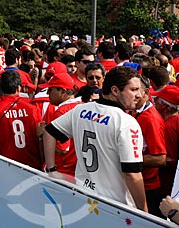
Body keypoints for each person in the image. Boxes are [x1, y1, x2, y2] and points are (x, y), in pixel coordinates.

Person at [42, 66, 148, 212]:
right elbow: (132, 174)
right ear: (115, 91)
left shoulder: (81, 110)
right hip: (114, 206)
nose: (139, 95)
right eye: (134, 90)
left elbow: (49, 132)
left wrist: (51, 168)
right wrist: (144, 211)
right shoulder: (126, 122)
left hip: (83, 196)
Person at [0, 70, 43, 170]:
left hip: (7, 165)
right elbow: (40, 136)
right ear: (19, 87)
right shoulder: (33, 108)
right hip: (32, 166)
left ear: (1, 87)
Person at [133, 75, 166, 217]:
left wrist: (128, 160)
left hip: (146, 187)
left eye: (135, 90)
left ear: (146, 92)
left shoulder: (151, 118)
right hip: (137, 182)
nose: (130, 94)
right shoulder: (135, 111)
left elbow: (160, 158)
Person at [153, 85, 179, 198]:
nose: (154, 102)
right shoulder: (175, 120)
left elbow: (170, 160)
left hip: (167, 185)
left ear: (165, 106)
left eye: (157, 100)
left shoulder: (168, 127)